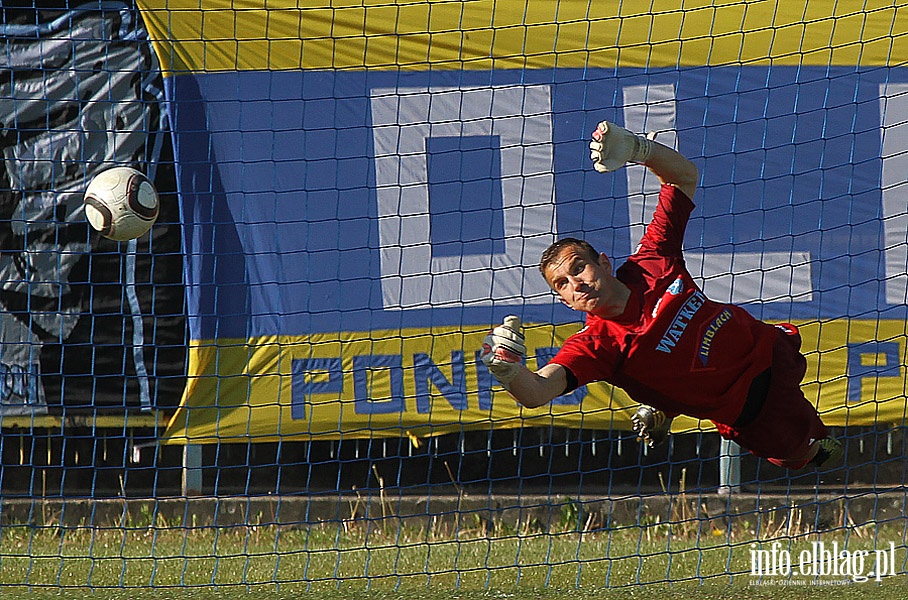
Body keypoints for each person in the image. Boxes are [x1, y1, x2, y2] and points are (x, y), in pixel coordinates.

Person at [479, 120, 843, 470]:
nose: (575, 283)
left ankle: (661, 408)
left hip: (771, 345)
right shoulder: (598, 345)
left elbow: (684, 177)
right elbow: (538, 392)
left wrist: (640, 149)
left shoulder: (650, 262)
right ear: (565, 302)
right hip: (750, 404)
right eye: (562, 284)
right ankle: (667, 407)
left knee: (764, 368)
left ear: (604, 263)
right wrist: (510, 372)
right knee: (805, 454)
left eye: (578, 268)